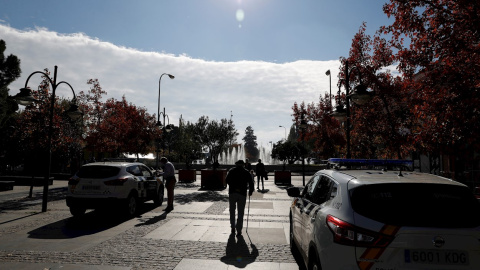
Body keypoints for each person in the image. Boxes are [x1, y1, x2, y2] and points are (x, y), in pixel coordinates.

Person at [226, 159, 254, 236]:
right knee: (240, 212)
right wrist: (250, 191)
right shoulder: (246, 172)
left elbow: (227, 180)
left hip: (232, 193)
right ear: (243, 165)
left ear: (236, 164)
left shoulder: (232, 171)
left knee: (232, 210)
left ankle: (232, 227)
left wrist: (233, 186)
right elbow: (251, 182)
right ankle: (239, 230)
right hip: (242, 193)